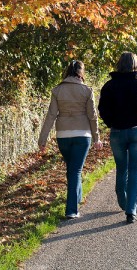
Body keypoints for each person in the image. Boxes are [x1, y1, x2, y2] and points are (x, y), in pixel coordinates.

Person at [98, 52, 137, 224]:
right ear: (135, 64)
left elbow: (102, 110)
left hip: (117, 133)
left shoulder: (109, 86)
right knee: (135, 171)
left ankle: (123, 202)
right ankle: (131, 211)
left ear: (118, 64)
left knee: (121, 168)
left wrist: (112, 122)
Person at [38, 60, 103, 219]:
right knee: (75, 170)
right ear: (81, 72)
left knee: (72, 169)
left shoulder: (57, 90)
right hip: (82, 136)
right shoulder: (87, 91)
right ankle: (71, 210)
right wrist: (97, 138)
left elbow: (51, 116)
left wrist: (42, 139)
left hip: (63, 136)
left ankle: (77, 197)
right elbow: (92, 116)